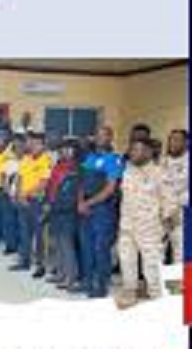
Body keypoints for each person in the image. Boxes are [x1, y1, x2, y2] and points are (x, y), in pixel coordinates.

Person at [116, 138, 168, 309]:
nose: (133, 153)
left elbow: (170, 202)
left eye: (138, 150)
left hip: (150, 228)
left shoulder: (159, 173)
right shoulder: (127, 171)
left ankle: (157, 297)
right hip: (127, 226)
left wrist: (163, 225)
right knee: (126, 261)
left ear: (148, 152)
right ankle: (130, 291)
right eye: (132, 150)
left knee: (152, 265)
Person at [76, 125, 123, 298]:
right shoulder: (89, 157)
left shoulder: (114, 160)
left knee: (100, 248)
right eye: (97, 135)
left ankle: (100, 285)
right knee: (86, 246)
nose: (100, 138)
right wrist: (80, 202)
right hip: (85, 206)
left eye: (104, 135)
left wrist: (88, 203)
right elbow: (82, 182)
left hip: (103, 209)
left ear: (110, 138)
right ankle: (87, 282)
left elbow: (110, 189)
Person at [10, 132, 52, 278]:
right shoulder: (26, 159)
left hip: (37, 202)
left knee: (39, 235)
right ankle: (24, 261)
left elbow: (44, 183)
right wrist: (18, 195)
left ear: (43, 145)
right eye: (31, 143)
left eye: (36, 144)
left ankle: (40, 265)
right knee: (24, 232)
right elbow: (19, 178)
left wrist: (26, 194)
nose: (33, 146)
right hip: (23, 201)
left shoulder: (45, 160)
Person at [45, 138, 81, 290]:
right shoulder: (58, 165)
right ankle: (60, 273)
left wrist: (65, 205)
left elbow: (75, 192)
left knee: (67, 244)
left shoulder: (76, 168)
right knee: (57, 243)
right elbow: (51, 185)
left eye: (68, 149)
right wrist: (47, 202)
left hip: (67, 211)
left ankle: (70, 277)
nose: (64, 151)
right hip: (54, 207)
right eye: (62, 149)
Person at [161, 129, 188, 264]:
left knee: (180, 253)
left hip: (182, 214)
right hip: (163, 214)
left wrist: (175, 211)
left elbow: (183, 189)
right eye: (171, 139)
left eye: (177, 139)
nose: (173, 142)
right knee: (158, 252)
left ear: (186, 142)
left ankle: (183, 278)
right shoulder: (163, 161)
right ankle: (163, 279)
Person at [0, 134, 26, 255]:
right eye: (16, 146)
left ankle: (22, 246)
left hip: (22, 196)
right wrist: (8, 192)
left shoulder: (27, 161)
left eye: (21, 145)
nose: (18, 148)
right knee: (9, 221)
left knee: (21, 223)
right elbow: (2, 177)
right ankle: (10, 245)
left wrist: (19, 195)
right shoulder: (8, 161)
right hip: (9, 195)